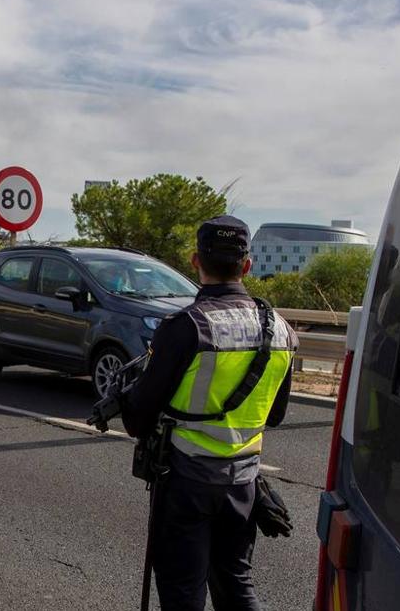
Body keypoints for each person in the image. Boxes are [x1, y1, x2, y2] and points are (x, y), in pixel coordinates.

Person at [120, 215, 298, 611]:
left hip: (186, 481)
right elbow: (275, 415)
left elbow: (137, 421)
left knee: (183, 594)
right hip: (245, 483)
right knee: (236, 585)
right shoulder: (282, 330)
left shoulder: (186, 326)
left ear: (195, 260)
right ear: (247, 266)